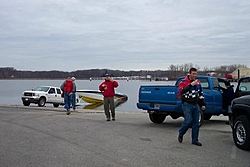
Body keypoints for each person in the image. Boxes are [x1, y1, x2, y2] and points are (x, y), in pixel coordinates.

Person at [177, 68, 206, 146]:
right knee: (188, 121)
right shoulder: (183, 82)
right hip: (187, 104)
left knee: (196, 123)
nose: (194, 75)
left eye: (196, 74)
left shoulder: (198, 82)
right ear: (189, 74)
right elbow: (181, 92)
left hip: (195, 104)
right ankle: (181, 133)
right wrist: (190, 85)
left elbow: (200, 94)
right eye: (193, 74)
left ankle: (195, 140)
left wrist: (202, 104)